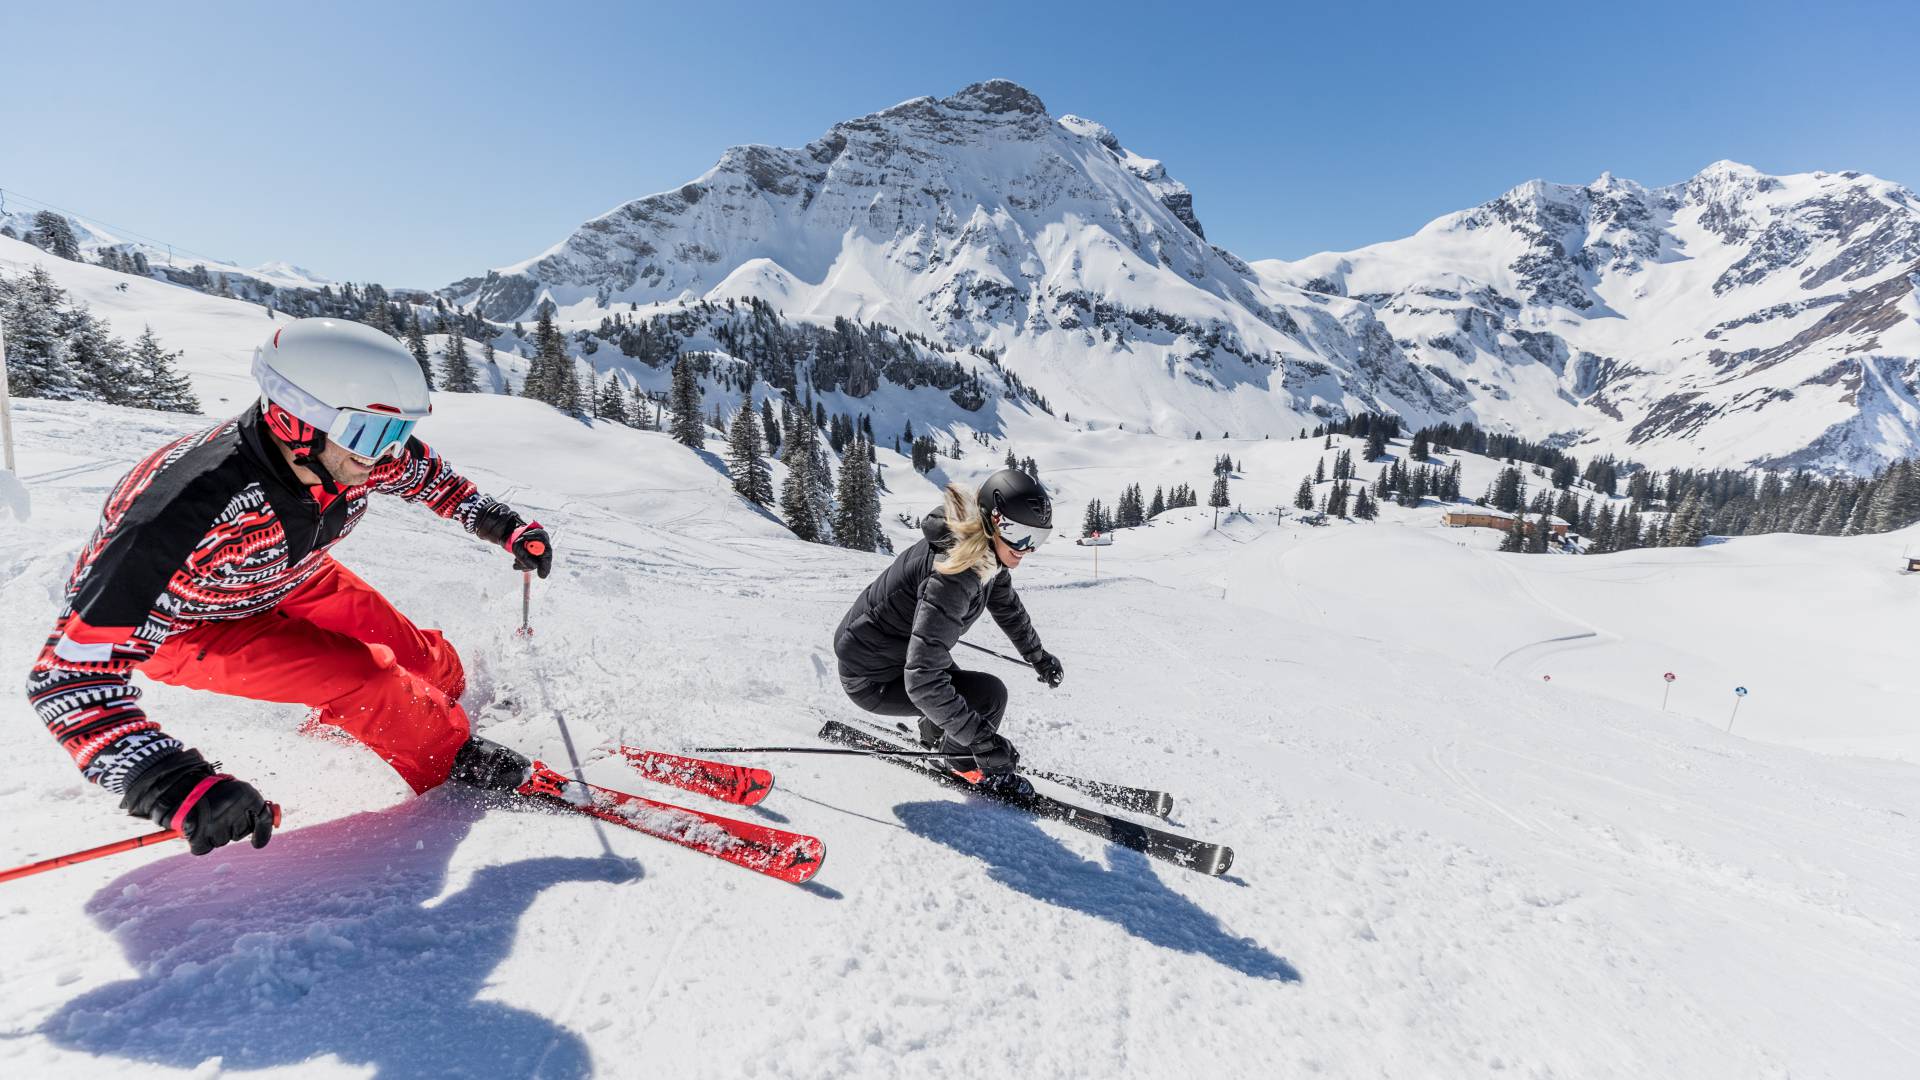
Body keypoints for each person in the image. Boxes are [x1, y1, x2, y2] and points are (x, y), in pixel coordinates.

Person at [26, 318, 551, 856]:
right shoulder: (179, 514)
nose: (387, 455)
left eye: (398, 433)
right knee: (366, 676)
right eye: (372, 434)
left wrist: (500, 523)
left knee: (425, 661)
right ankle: (448, 754)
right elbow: (65, 679)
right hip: (189, 626)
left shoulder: (354, 452)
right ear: (293, 418)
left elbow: (429, 477)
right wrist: (167, 781)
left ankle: (436, 704)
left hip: (288, 575)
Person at [833, 469, 1064, 796]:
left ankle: (938, 735)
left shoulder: (981, 549)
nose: (1025, 549)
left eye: (1036, 539)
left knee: (960, 694)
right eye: (1017, 534)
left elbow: (1006, 604)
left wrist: (1037, 656)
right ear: (991, 520)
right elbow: (923, 680)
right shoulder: (955, 571)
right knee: (989, 697)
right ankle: (958, 764)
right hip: (871, 677)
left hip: (890, 656)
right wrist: (980, 741)